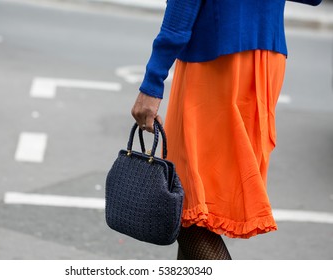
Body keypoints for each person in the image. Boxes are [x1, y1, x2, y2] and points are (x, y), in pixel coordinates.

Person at [131, 0, 322, 260]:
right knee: (195, 209)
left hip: (217, 56)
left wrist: (153, 80)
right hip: (265, 57)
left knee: (184, 204)